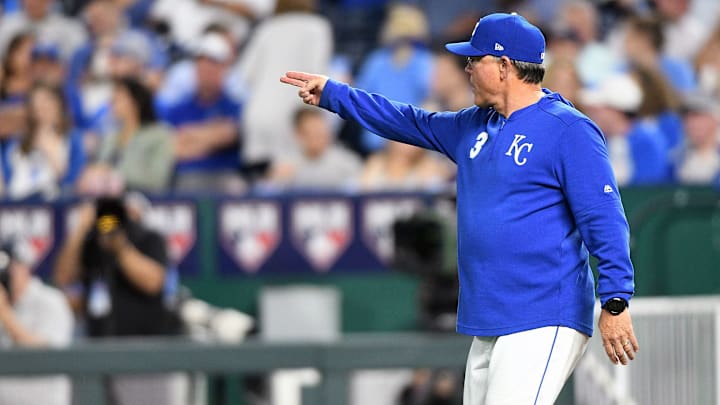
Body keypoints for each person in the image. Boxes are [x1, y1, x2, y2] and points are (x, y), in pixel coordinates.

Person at [281, 12, 638, 404]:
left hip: (544, 311)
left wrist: (616, 300)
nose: (466, 67)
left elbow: (603, 217)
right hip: (490, 316)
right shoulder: (473, 125)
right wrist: (335, 94)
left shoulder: (567, 129)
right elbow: (407, 120)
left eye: (475, 58)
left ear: (504, 67)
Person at [0, 240, 74, 405]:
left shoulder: (50, 300)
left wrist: (5, 314)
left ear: (25, 267)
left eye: (10, 269)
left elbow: (47, 354)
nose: (6, 277)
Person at [77, 77, 174, 194]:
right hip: (105, 199)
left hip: (143, 199)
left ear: (135, 103)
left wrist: (115, 176)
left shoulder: (159, 135)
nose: (111, 104)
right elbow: (99, 168)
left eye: (117, 99)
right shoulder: (110, 137)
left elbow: (157, 179)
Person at [264, 107, 362, 190]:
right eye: (313, 133)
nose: (320, 138)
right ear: (298, 134)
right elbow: (266, 195)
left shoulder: (345, 162)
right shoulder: (285, 163)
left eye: (322, 132)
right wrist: (277, 181)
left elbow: (360, 190)